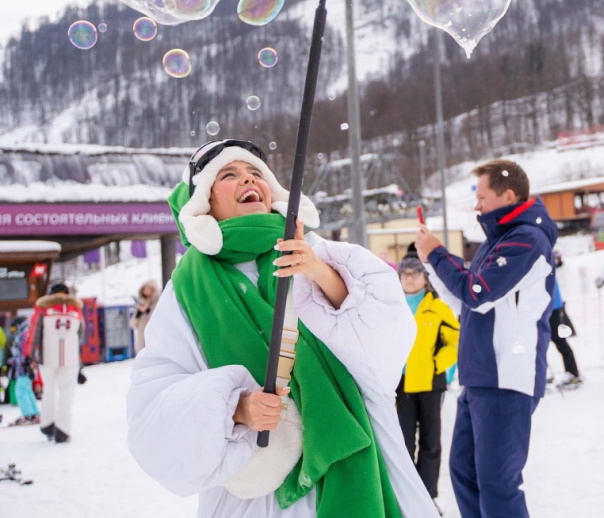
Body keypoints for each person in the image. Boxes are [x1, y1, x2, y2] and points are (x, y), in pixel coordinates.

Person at [127, 139, 438, 518]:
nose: (248, 180)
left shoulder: (312, 249)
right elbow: (155, 396)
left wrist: (318, 270)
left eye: (255, 173)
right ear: (204, 200)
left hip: (350, 459)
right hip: (256, 482)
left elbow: (382, 338)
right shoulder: (188, 287)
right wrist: (235, 408)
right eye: (229, 174)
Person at [415, 159, 557, 518]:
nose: (476, 205)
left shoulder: (526, 240)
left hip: (505, 376)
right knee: (464, 473)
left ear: (508, 196)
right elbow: (466, 301)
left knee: (496, 483)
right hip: (481, 376)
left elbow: (477, 293)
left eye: (482, 196)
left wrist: (437, 253)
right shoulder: (498, 243)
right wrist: (431, 262)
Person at [396, 255, 459, 513]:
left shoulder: (437, 307)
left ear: (425, 278)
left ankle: (427, 497)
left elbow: (455, 340)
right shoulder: (393, 306)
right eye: (405, 273)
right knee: (403, 443)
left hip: (431, 384)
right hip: (400, 386)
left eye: (415, 273)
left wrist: (436, 364)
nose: (410, 278)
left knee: (431, 442)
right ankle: (406, 497)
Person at [22, 282, 84, 443]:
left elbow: (34, 333)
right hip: (70, 359)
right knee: (67, 395)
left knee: (48, 391)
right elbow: (80, 335)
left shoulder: (43, 309)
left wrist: (29, 356)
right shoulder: (76, 310)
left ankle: (48, 425)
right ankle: (63, 430)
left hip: (48, 357)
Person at [548, 251, 581, 388]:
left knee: (559, 340)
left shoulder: (548, 264)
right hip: (544, 307)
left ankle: (572, 372)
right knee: (539, 344)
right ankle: (541, 374)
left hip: (553, 307)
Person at [5, 316, 39, 424]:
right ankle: (34, 413)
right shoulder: (22, 335)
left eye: (15, 328)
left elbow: (25, 352)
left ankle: (28, 415)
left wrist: (26, 363)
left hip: (24, 367)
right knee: (26, 389)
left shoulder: (24, 335)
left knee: (21, 390)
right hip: (24, 366)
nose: (13, 331)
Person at [130, 278, 160, 353]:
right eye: (145, 289)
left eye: (149, 289)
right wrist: (139, 313)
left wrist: (147, 310)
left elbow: (156, 319)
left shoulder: (157, 303)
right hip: (141, 336)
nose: (147, 292)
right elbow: (133, 324)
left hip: (154, 336)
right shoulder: (142, 302)